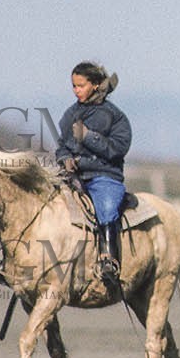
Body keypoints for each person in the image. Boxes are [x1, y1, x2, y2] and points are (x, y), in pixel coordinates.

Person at [55, 62, 132, 289]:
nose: (76, 90)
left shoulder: (115, 116)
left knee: (106, 207)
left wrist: (88, 136)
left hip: (104, 176)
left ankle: (109, 260)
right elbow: (61, 145)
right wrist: (64, 159)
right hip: (73, 177)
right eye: (73, 86)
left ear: (96, 85)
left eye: (81, 85)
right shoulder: (70, 114)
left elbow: (117, 149)